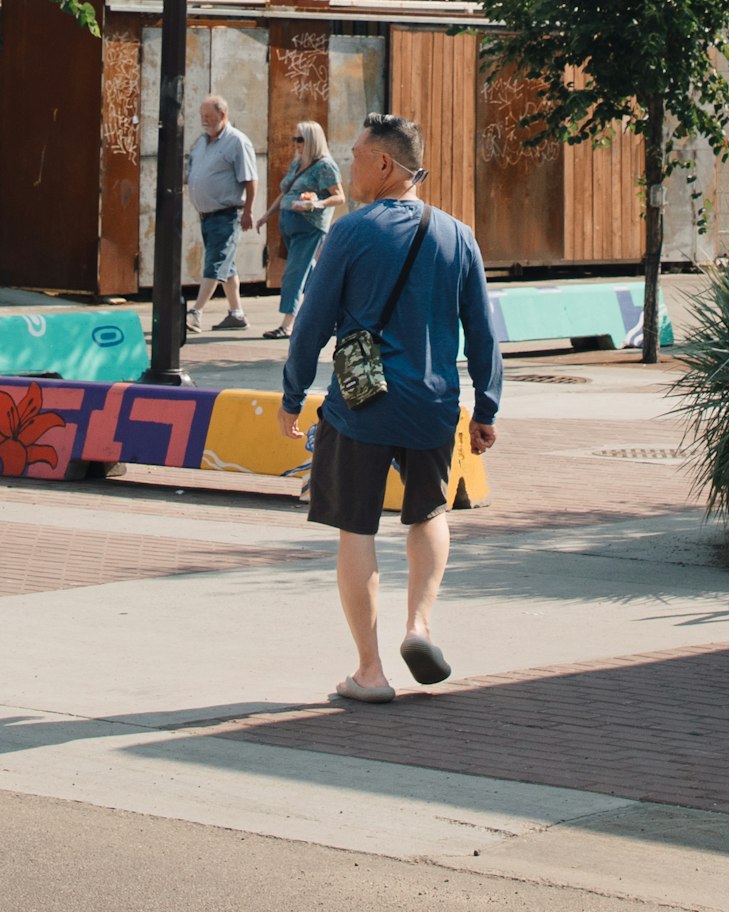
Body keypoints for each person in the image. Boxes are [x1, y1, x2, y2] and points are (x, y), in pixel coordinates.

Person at [281, 111, 500, 704]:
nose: (348, 167)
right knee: (429, 513)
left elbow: (311, 325)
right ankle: (420, 625)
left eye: (355, 156)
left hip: (362, 405)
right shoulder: (458, 235)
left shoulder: (351, 233)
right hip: (433, 403)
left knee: (357, 526)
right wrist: (487, 407)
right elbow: (482, 331)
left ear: (385, 164)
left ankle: (370, 673)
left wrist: (293, 394)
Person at [185, 95, 262, 333]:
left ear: (223, 116)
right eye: (202, 117)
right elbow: (193, 171)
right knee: (226, 266)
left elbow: (250, 179)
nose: (205, 121)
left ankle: (195, 312)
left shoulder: (237, 142)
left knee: (215, 263)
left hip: (227, 214)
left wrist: (249, 210)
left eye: (209, 117)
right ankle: (236, 313)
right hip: (206, 214)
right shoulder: (202, 142)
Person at [273, 120, 341, 318]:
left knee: (294, 273)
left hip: (309, 225)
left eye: (300, 140)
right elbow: (285, 192)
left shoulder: (325, 166)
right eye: (295, 139)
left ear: (312, 140)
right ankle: (330, 308)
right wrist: (266, 215)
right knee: (309, 270)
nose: (296, 144)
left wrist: (316, 204)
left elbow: (339, 196)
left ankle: (288, 322)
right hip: (289, 223)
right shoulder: (297, 163)